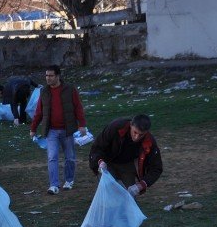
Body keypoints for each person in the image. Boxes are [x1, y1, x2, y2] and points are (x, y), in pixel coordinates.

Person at [29, 65, 87, 194]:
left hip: (67, 129)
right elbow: (39, 111)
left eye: (51, 75)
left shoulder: (70, 89)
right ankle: (54, 185)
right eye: (46, 75)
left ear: (58, 76)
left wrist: (82, 124)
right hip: (51, 131)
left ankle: (69, 180)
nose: (48, 78)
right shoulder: (44, 91)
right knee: (52, 157)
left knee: (70, 157)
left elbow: (78, 107)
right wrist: (33, 128)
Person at [89, 114, 163, 198]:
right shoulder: (115, 127)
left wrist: (141, 185)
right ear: (131, 125)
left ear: (146, 132)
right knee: (109, 191)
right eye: (135, 132)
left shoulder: (149, 142)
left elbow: (157, 167)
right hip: (107, 161)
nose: (137, 137)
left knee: (130, 195)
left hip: (128, 164)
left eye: (141, 135)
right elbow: (97, 147)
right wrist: (99, 161)